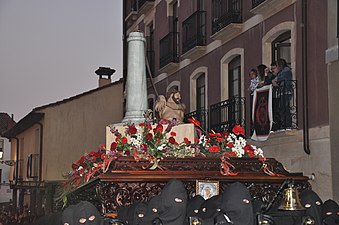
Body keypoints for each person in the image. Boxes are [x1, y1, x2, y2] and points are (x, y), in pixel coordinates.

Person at [271, 59, 293, 130]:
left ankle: (288, 124)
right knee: (282, 108)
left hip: (286, 91)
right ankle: (284, 124)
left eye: (277, 65)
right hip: (283, 92)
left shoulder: (286, 70)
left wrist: (275, 80)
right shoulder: (282, 71)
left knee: (285, 108)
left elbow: (280, 78)